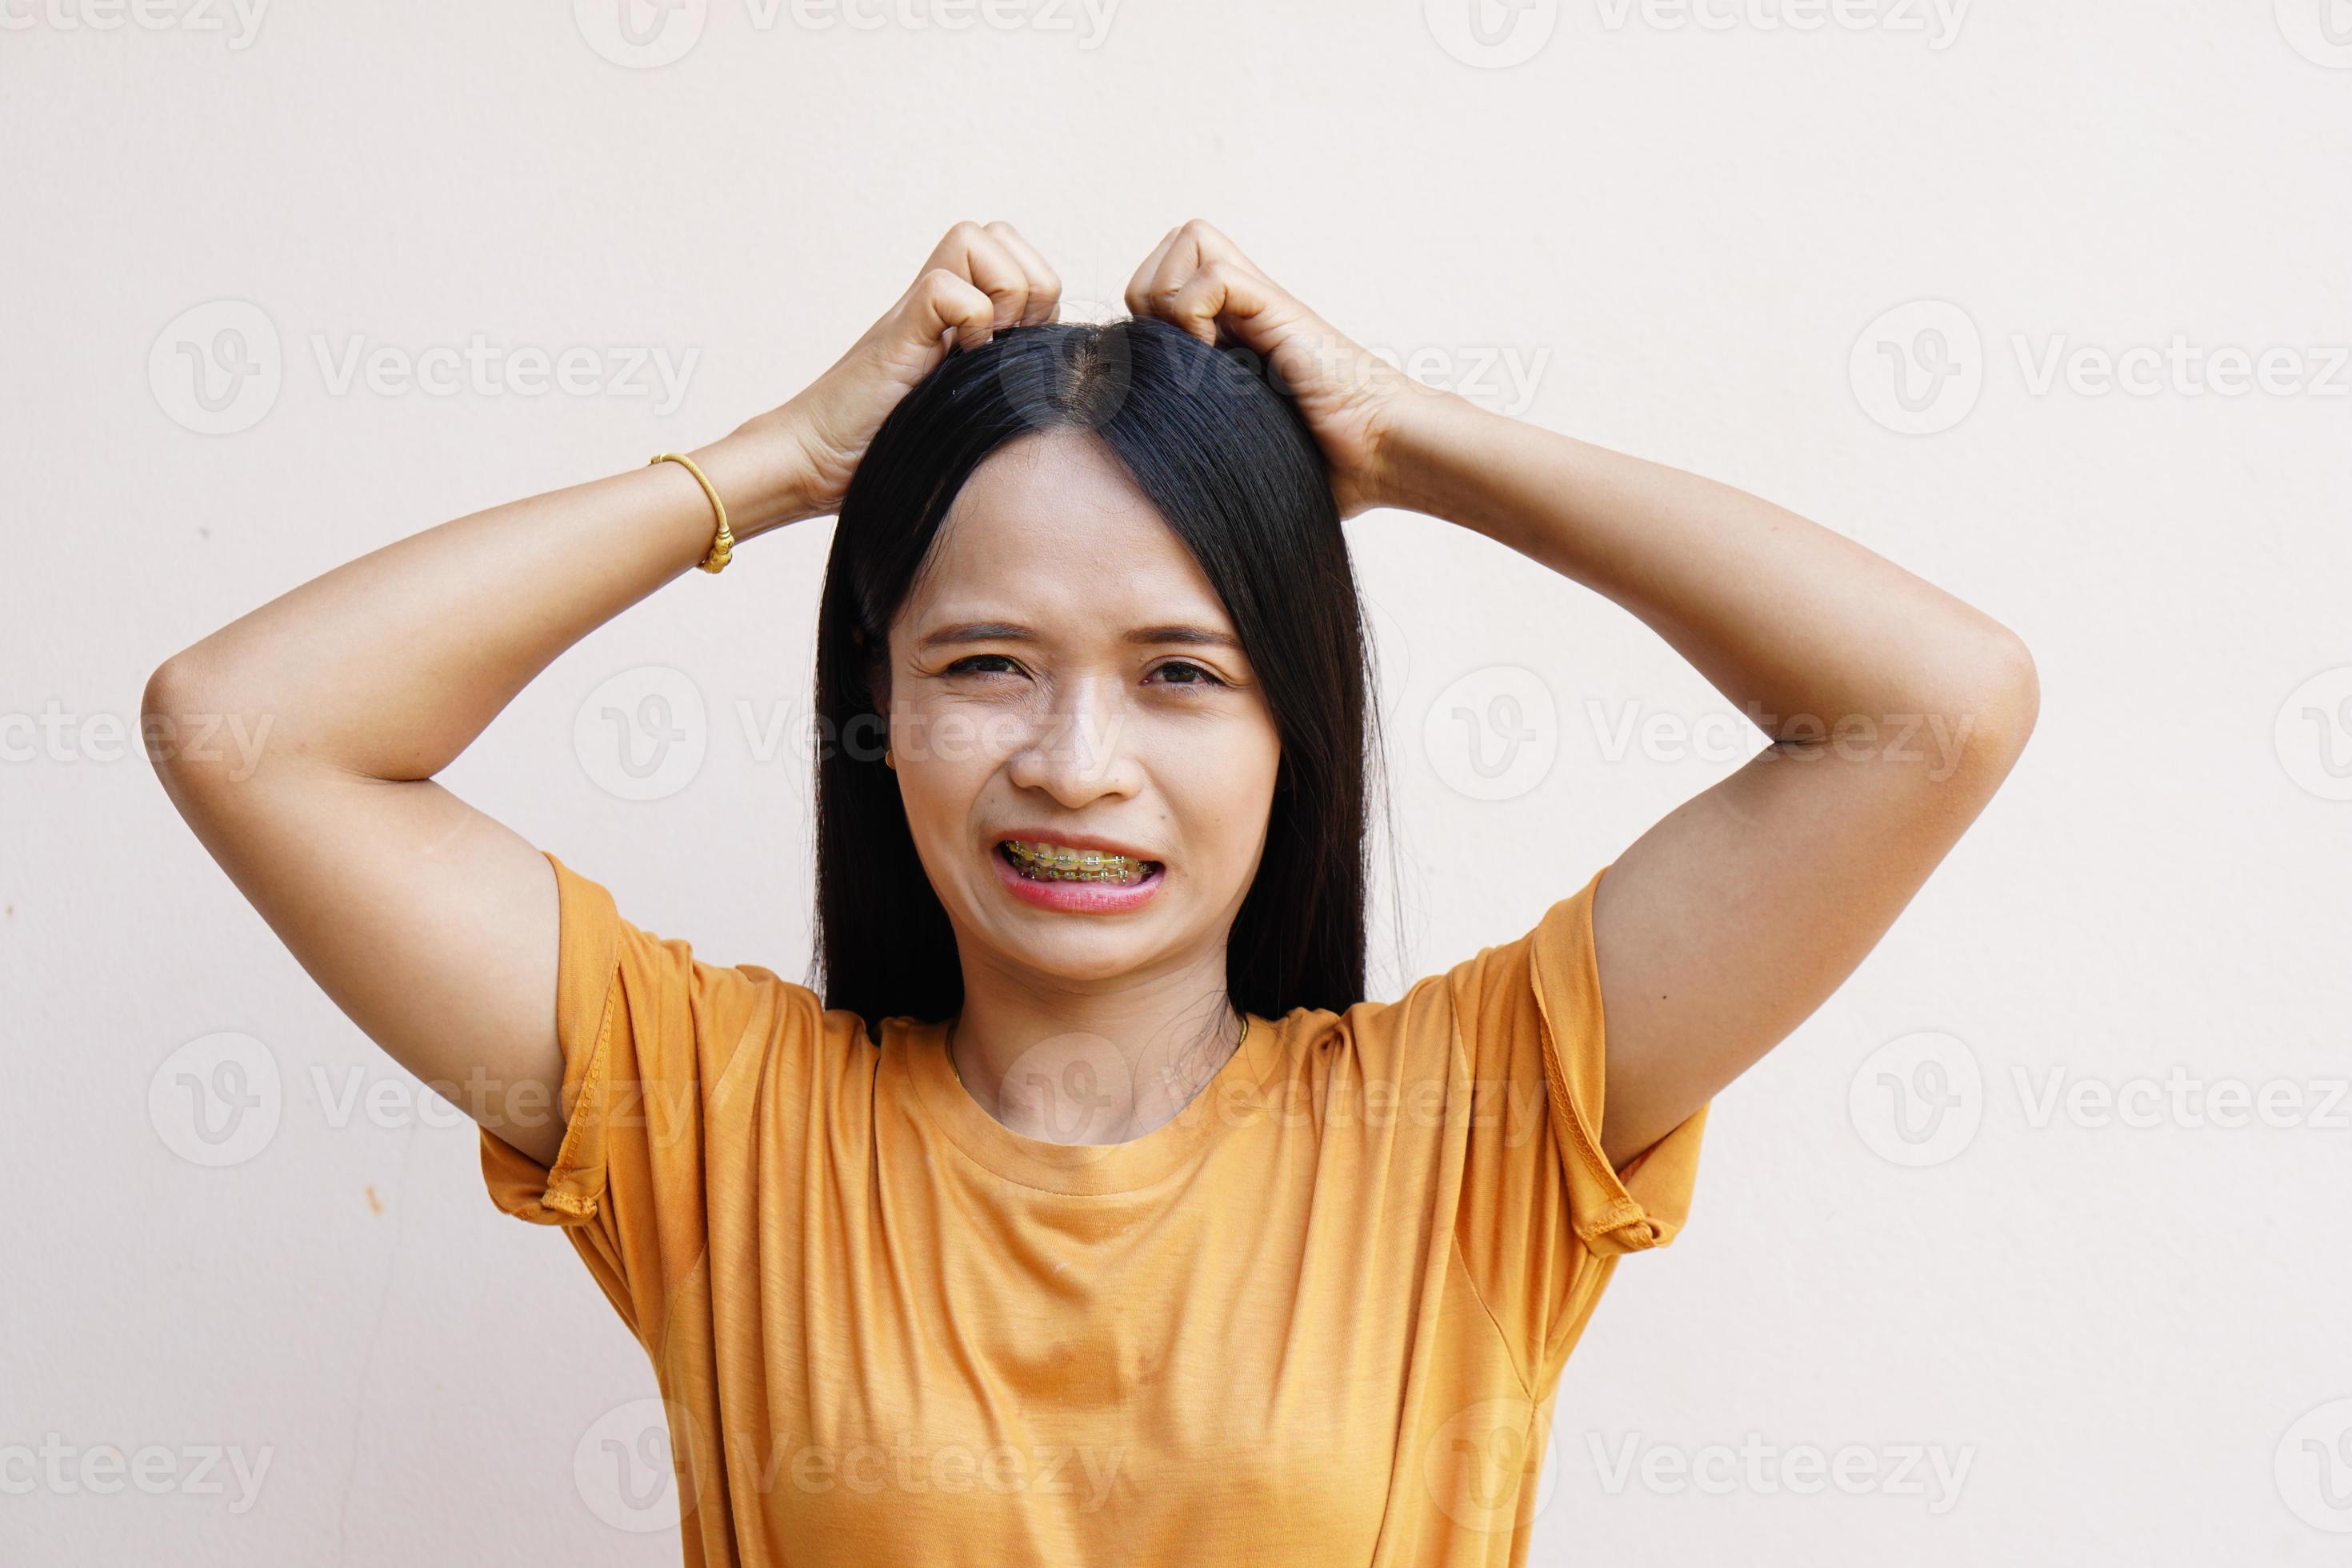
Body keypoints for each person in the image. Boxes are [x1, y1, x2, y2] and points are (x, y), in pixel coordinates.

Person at [144, 219, 2038, 1565]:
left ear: (1300, 724)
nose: (1074, 759)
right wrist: (776, 467)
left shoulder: (1475, 1128)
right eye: (984, 664)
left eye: (1181, 671)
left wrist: (1407, 437)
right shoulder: (715, 1121)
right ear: (876, 707)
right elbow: (247, 726)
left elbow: (1932, 709)